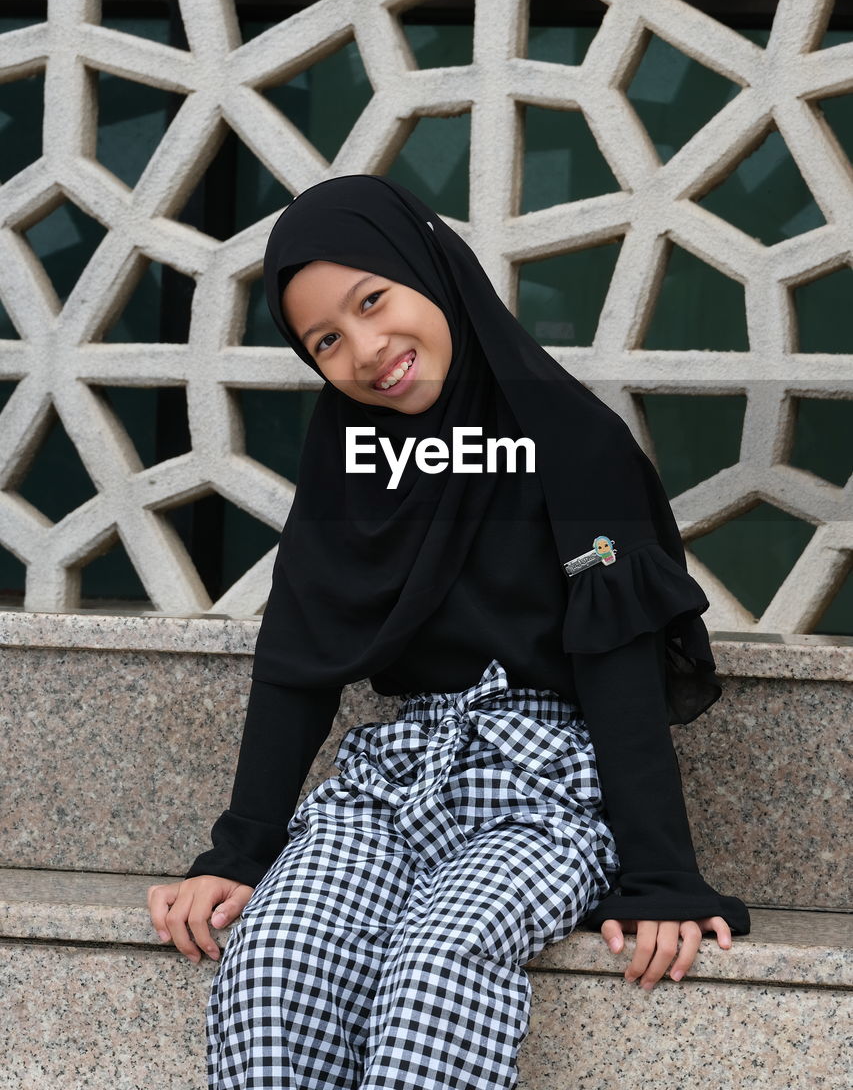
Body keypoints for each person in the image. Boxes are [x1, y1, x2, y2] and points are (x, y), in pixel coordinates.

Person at [148, 174, 750, 1089]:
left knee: (435, 964)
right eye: (325, 341)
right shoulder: (352, 462)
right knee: (272, 959)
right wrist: (239, 854)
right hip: (391, 784)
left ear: (431, 271)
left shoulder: (574, 447)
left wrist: (660, 876)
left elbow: (619, 663)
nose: (366, 351)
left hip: (544, 795)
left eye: (373, 301)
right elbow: (299, 662)